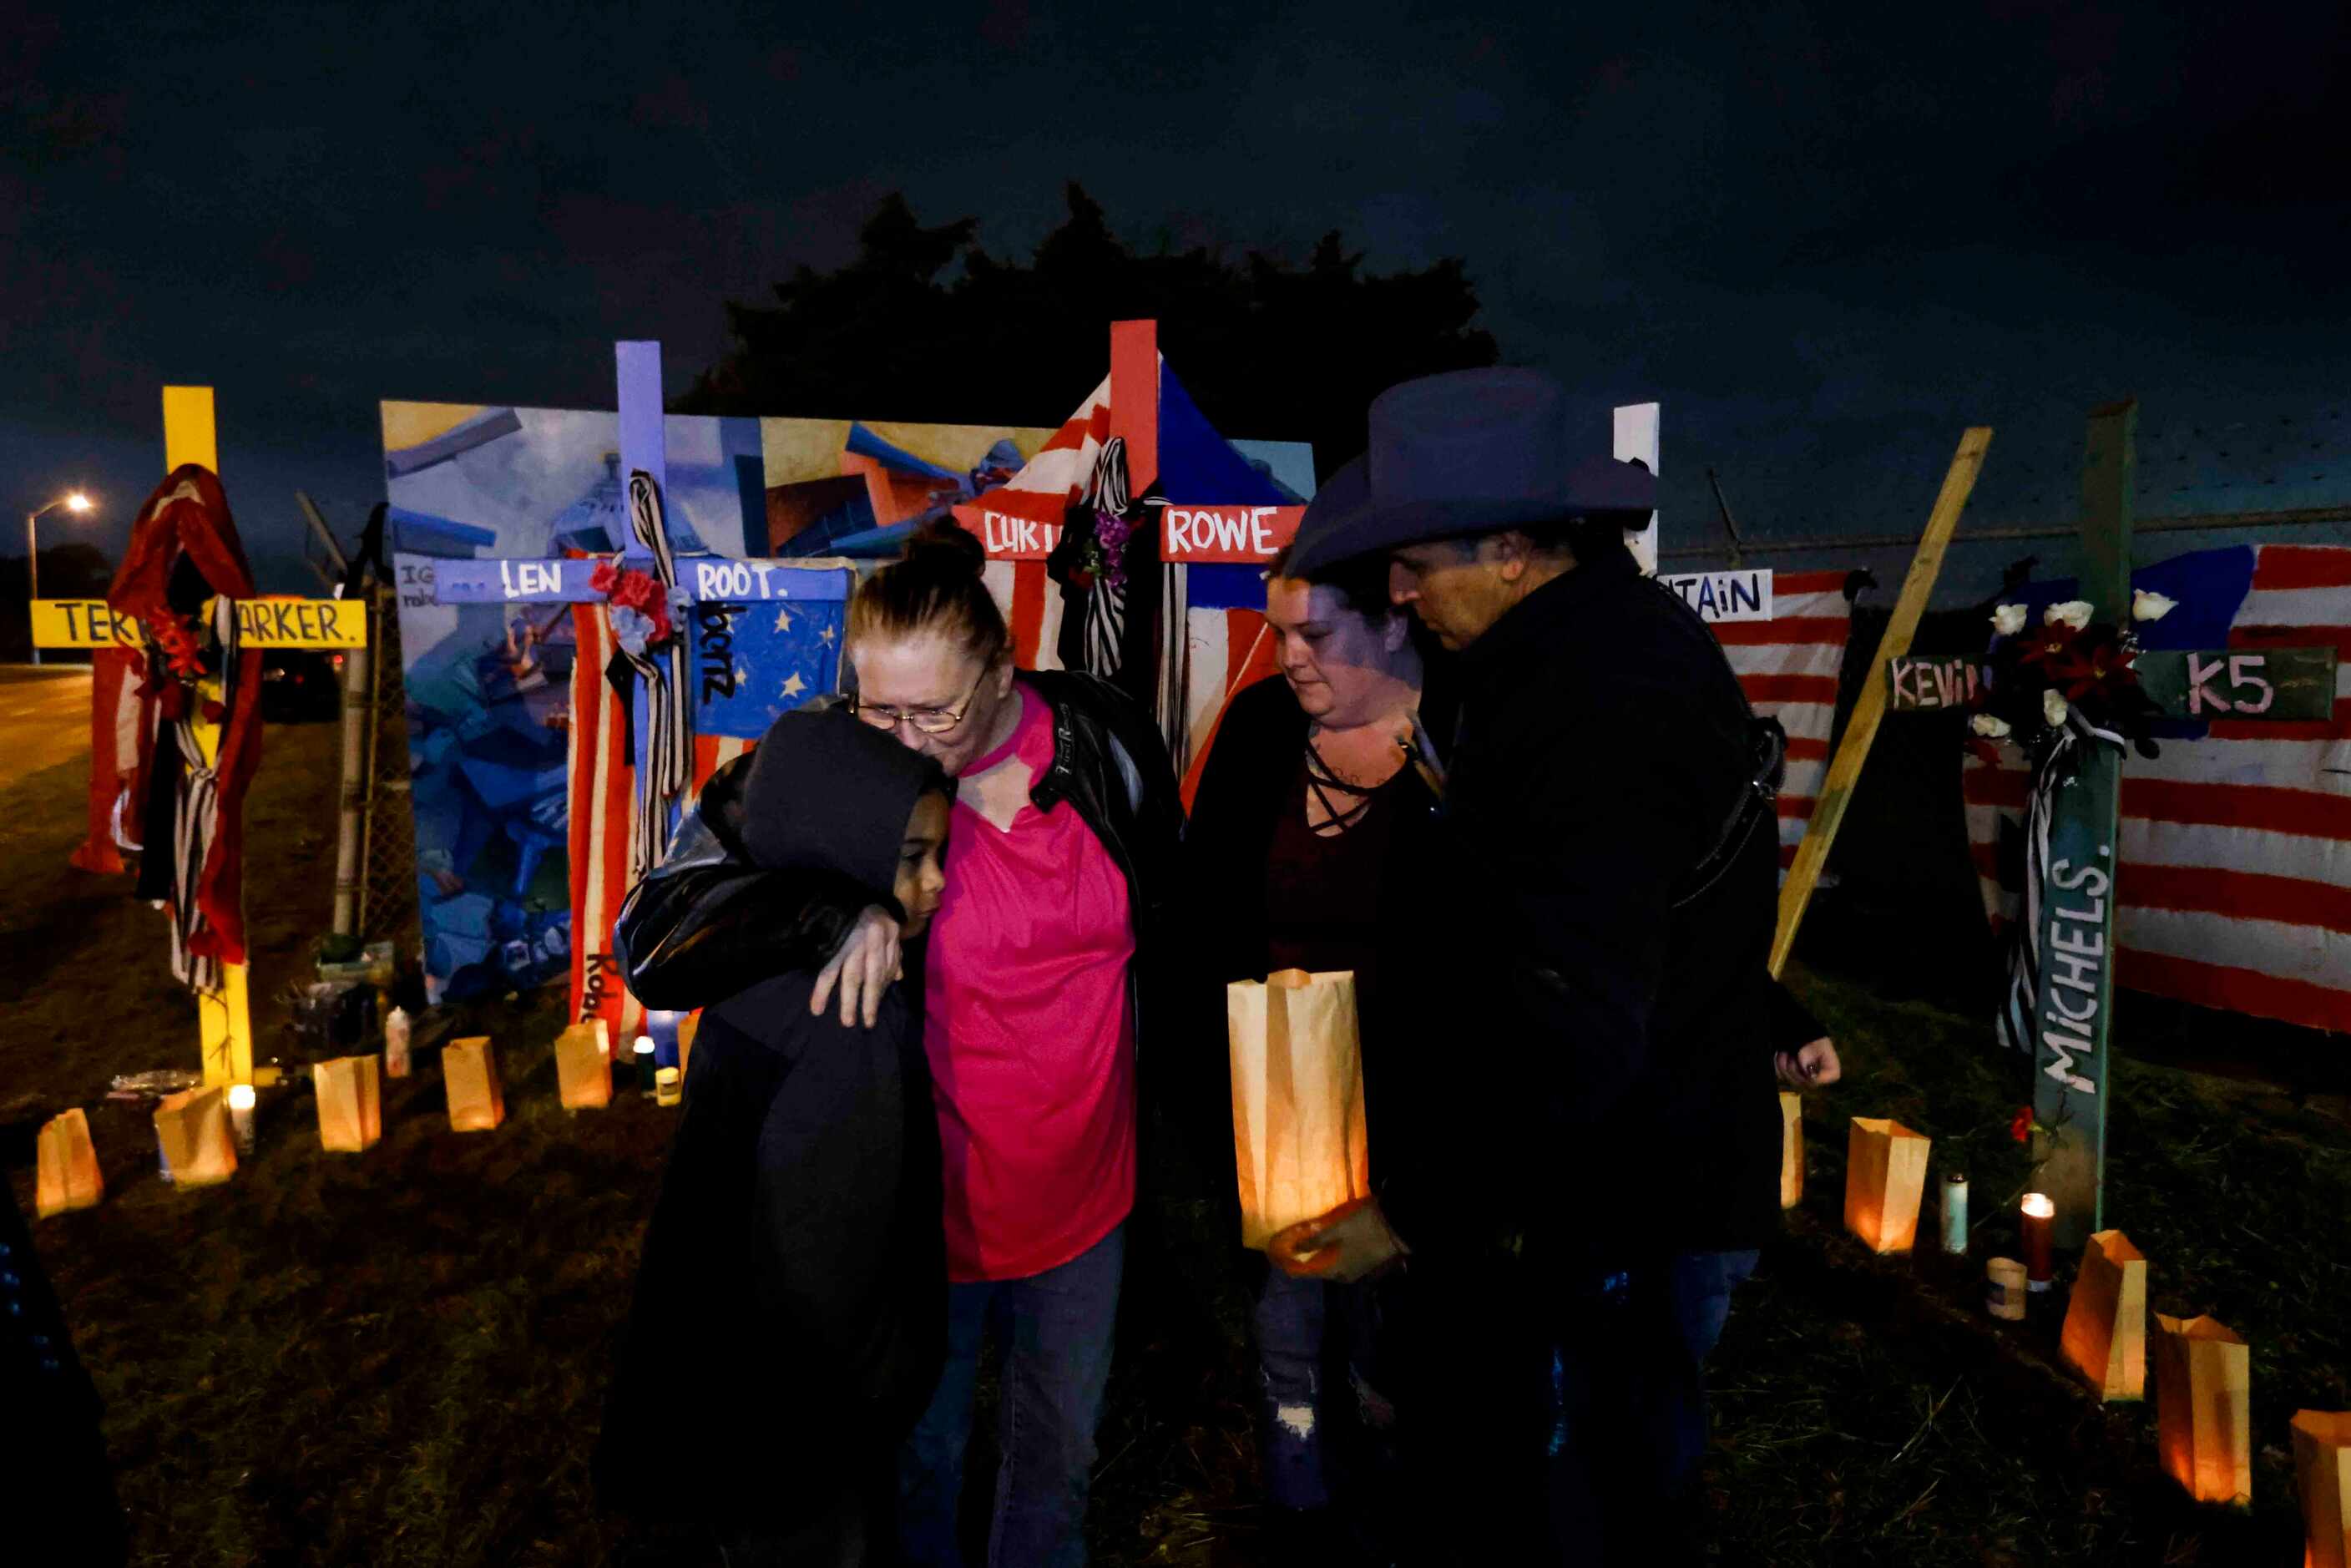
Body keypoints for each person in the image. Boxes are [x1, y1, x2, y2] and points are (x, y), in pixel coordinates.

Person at [1280, 367, 1792, 1563]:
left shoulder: (1603, 700)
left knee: (1577, 1505)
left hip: (1617, 1200)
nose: (1396, 590)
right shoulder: (1549, 650)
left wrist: (1407, 1213)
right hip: (1574, 1176)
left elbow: (1575, 1025)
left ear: (1513, 547)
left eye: (1417, 559)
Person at [614, 521, 1182, 1568]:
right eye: (881, 707)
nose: (908, 741)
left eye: (937, 711)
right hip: (925, 1210)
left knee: (1056, 1456)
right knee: (921, 1459)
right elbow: (652, 942)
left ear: (1004, 671)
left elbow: (1167, 925)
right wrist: (825, 914)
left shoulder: (1103, 742)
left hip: (1085, 1194)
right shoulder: (825, 773)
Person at [595, 707, 952, 1566]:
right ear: (841, 849)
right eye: (910, 860)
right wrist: (886, 1381)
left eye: (940, 854)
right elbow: (831, 1255)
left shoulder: (757, 970)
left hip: (726, 1381)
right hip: (804, 1417)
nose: (937, 882)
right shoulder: (850, 1017)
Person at [1183, 543, 1452, 1554]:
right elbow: (1205, 915)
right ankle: (1300, 1503)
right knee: (1290, 1309)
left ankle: (1402, 1499)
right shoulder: (1260, 733)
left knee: (1400, 1327)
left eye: (1315, 635)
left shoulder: (1458, 736)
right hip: (1284, 1093)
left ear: (1391, 621)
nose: (1287, 657)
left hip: (1419, 1097)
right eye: (1280, 632)